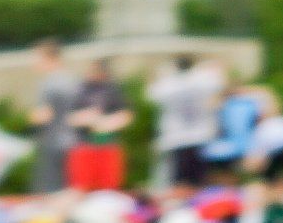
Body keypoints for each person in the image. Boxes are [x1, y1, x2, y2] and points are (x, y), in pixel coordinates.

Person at [146, 53, 223, 191]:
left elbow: (151, 94)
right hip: (200, 133)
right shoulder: (202, 79)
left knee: (178, 180)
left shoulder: (168, 84)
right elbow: (219, 81)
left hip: (176, 136)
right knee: (198, 177)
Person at [65, 60, 132, 191]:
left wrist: (108, 122)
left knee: (109, 187)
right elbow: (70, 117)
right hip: (85, 144)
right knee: (82, 187)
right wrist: (87, 118)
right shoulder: (80, 90)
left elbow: (126, 114)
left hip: (108, 144)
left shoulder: (114, 90)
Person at [28, 37, 79, 196]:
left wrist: (30, 119)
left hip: (53, 142)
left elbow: (44, 115)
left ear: (48, 58)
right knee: (70, 189)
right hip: (73, 141)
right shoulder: (72, 81)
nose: (34, 63)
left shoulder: (49, 84)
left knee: (51, 191)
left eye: (37, 58)